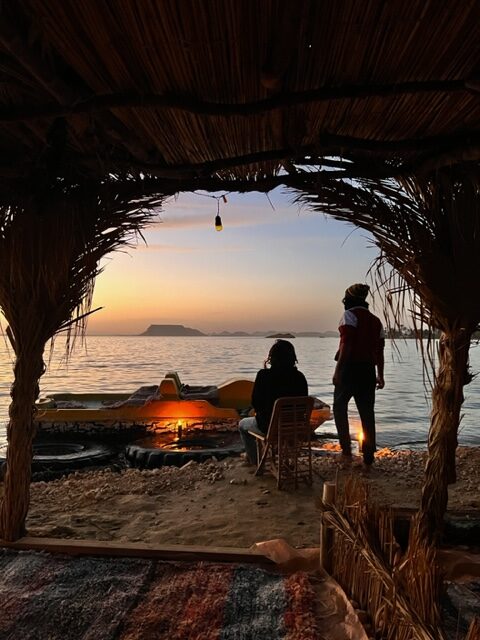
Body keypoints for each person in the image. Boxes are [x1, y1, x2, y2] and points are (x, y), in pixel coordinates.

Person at [333, 283, 385, 469]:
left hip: (349, 369)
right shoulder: (376, 321)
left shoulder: (349, 316)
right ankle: (369, 456)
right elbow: (380, 351)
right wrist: (380, 374)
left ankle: (346, 451)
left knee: (339, 408)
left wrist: (338, 371)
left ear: (348, 299)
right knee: (367, 413)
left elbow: (346, 345)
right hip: (368, 371)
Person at [239, 340, 308, 465]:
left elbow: (255, 403)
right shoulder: (300, 377)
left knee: (242, 424)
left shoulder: (263, 376)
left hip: (269, 429)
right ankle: (283, 457)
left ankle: (255, 461)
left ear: (272, 358)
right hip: (294, 429)